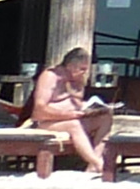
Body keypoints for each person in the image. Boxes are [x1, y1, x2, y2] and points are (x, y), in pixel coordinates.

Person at [20, 49, 109, 181]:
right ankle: (98, 163)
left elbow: (76, 104)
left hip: (69, 119)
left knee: (106, 118)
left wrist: (90, 110)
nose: (84, 72)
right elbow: (39, 109)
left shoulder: (77, 80)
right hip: (45, 123)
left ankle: (92, 165)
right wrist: (68, 115)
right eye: (81, 68)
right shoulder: (51, 76)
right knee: (73, 125)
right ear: (70, 65)